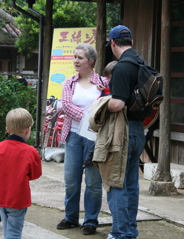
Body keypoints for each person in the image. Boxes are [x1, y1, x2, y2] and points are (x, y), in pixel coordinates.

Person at [57, 43, 107, 235]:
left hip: (95, 137)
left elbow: (107, 104)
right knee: (71, 179)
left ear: (91, 61)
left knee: (93, 182)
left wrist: (93, 117)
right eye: (75, 57)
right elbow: (66, 107)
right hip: (73, 136)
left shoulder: (103, 82)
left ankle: (91, 220)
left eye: (80, 58)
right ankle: (70, 217)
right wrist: (90, 115)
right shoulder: (69, 83)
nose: (76, 61)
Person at [106, 25, 147, 239]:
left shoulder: (122, 67)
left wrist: (102, 103)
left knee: (116, 182)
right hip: (139, 130)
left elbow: (117, 104)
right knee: (131, 183)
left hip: (123, 131)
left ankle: (120, 232)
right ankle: (130, 230)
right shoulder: (142, 63)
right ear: (131, 41)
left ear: (113, 43)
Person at [0, 108, 42, 239]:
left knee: (7, 228)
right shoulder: (30, 151)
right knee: (14, 232)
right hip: (17, 197)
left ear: (7, 129)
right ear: (28, 130)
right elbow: (35, 174)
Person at [82, 60, 117, 168]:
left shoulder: (118, 88)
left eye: (110, 78)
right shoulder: (105, 87)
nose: (107, 80)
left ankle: (92, 157)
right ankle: (89, 157)